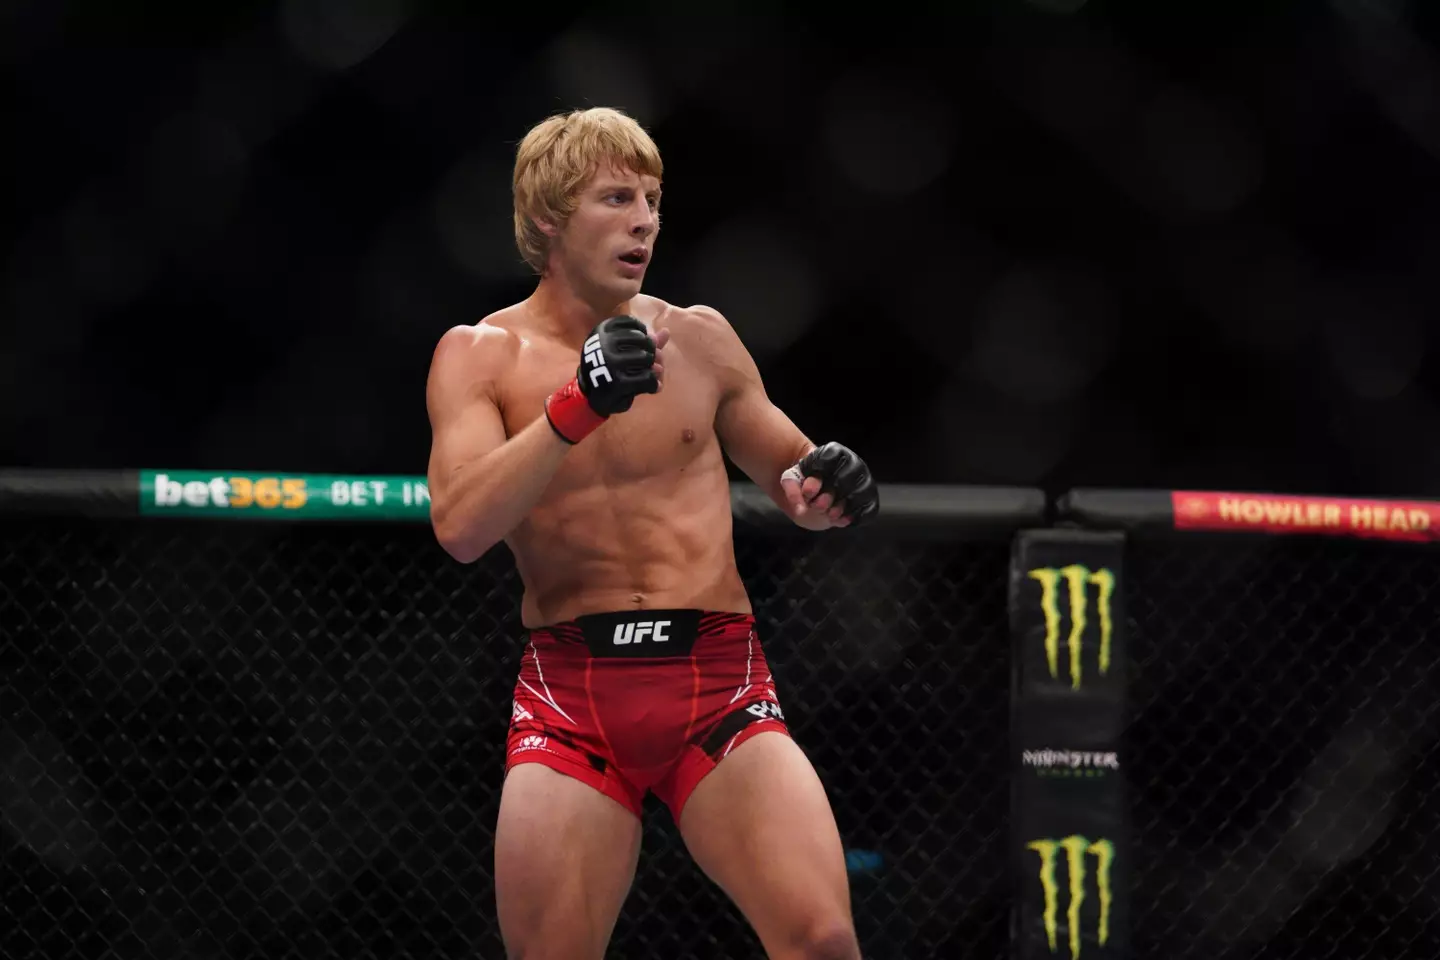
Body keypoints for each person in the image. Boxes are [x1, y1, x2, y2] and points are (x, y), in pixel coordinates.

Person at [424, 106, 880, 960]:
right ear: (548, 220)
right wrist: (576, 405)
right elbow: (459, 526)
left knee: (821, 940)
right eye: (615, 198)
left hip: (720, 683)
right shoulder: (479, 356)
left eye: (653, 198)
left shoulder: (699, 340)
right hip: (572, 701)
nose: (644, 219)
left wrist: (827, 484)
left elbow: (789, 470)